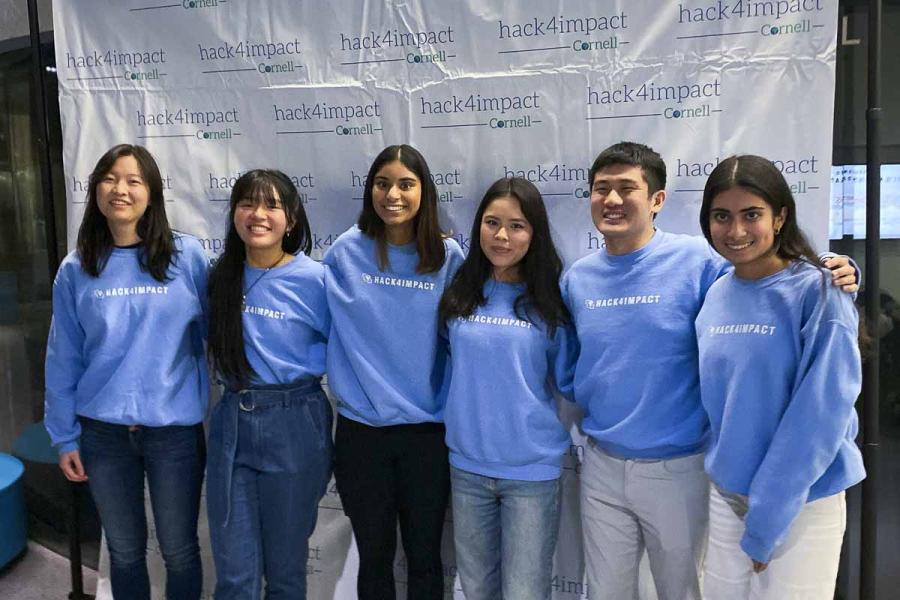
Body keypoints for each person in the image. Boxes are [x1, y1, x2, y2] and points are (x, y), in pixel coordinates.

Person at [560, 142, 859, 600]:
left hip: (715, 476)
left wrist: (842, 272)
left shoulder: (706, 265)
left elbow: (819, 409)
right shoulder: (582, 278)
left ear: (657, 200)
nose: (736, 230)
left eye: (627, 188)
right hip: (633, 468)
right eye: (603, 189)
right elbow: (571, 359)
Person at [695, 154, 865, 598]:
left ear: (781, 215)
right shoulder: (716, 293)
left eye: (752, 214)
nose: (735, 231)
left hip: (801, 503)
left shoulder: (820, 292)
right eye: (721, 216)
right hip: (728, 497)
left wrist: (767, 517)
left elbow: (819, 418)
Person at [45, 144, 209, 600]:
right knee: (124, 552)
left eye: (134, 180)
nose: (121, 189)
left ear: (152, 194)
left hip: (173, 434)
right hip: (103, 436)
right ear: (96, 188)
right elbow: (63, 357)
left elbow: (220, 337)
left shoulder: (187, 258)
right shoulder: (76, 268)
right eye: (111, 178)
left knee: (179, 550)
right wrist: (64, 436)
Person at [323, 144, 465, 599]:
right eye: (382, 183)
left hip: (426, 435)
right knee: (375, 559)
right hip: (361, 435)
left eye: (406, 184)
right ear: (370, 190)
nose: (393, 195)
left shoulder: (447, 257)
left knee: (425, 558)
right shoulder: (346, 251)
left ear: (424, 191)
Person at [438, 177, 577, 600]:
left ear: (534, 234)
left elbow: (571, 379)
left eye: (517, 226)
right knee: (477, 589)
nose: (502, 236)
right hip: (467, 468)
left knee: (524, 592)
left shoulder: (551, 301)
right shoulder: (460, 291)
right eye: (492, 222)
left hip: (530, 473)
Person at [205, 169, 332, 599]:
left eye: (272, 205)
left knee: (285, 574)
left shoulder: (316, 280)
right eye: (247, 203)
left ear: (291, 220)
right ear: (234, 214)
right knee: (236, 576)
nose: (258, 214)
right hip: (232, 427)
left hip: (296, 423)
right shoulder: (219, 277)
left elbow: (354, 350)